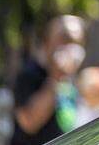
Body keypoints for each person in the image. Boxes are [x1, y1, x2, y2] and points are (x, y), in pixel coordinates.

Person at [11, 15, 85, 145]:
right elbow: (29, 123)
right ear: (46, 42)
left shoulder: (71, 78)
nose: (70, 48)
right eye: (65, 39)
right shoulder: (29, 74)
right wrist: (56, 77)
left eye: (77, 42)